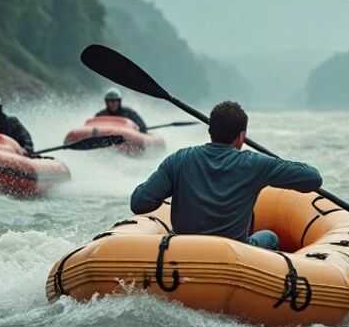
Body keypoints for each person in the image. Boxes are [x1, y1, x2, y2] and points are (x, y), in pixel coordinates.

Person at [130, 101, 323, 250]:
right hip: (234, 254)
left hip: (182, 252)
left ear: (210, 131)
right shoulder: (256, 164)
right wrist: (276, 164)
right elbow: (312, 178)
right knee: (269, 237)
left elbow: (140, 203)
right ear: (241, 137)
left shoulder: (179, 160)